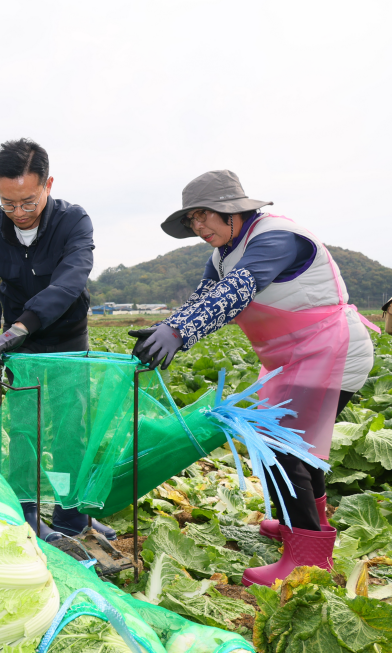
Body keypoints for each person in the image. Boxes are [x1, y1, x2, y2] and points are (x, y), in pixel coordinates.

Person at [130, 170, 377, 586]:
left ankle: (307, 559)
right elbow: (205, 298)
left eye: (205, 215)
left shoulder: (275, 236)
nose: (199, 226)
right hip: (296, 356)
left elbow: (240, 289)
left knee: (285, 447)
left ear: (234, 210)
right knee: (295, 445)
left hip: (331, 350)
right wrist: (165, 327)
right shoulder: (222, 253)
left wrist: (180, 333)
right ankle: (305, 526)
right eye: (192, 219)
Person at [0, 138, 116, 541]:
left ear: (47, 184)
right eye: (8, 203)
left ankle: (71, 514)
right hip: (20, 346)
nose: (19, 213)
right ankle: (28, 513)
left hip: (66, 335)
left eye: (29, 202)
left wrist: (21, 325)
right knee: (24, 428)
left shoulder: (73, 221)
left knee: (71, 427)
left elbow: (71, 279)